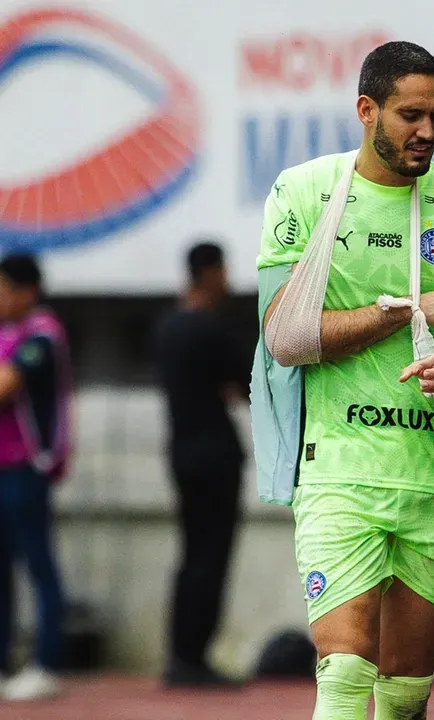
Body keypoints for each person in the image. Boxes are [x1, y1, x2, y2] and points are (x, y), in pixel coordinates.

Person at [252, 41, 434, 719]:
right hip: (337, 472)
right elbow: (287, 338)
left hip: (430, 476)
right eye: (409, 115)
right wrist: (410, 310)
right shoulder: (304, 191)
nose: (426, 131)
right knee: (342, 674)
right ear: (366, 110)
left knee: (403, 696)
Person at [154, 241, 250, 688]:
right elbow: (249, 380)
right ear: (210, 272)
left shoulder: (168, 327)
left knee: (189, 554)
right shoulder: (212, 329)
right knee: (211, 557)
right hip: (215, 454)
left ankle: (180, 653)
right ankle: (194, 658)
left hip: (180, 450)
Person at [0, 254, 73, 702]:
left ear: (28, 291)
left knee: (38, 564)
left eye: (4, 289)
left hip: (28, 467)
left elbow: (7, 386)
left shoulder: (42, 335)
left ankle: (47, 662)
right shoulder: (9, 334)